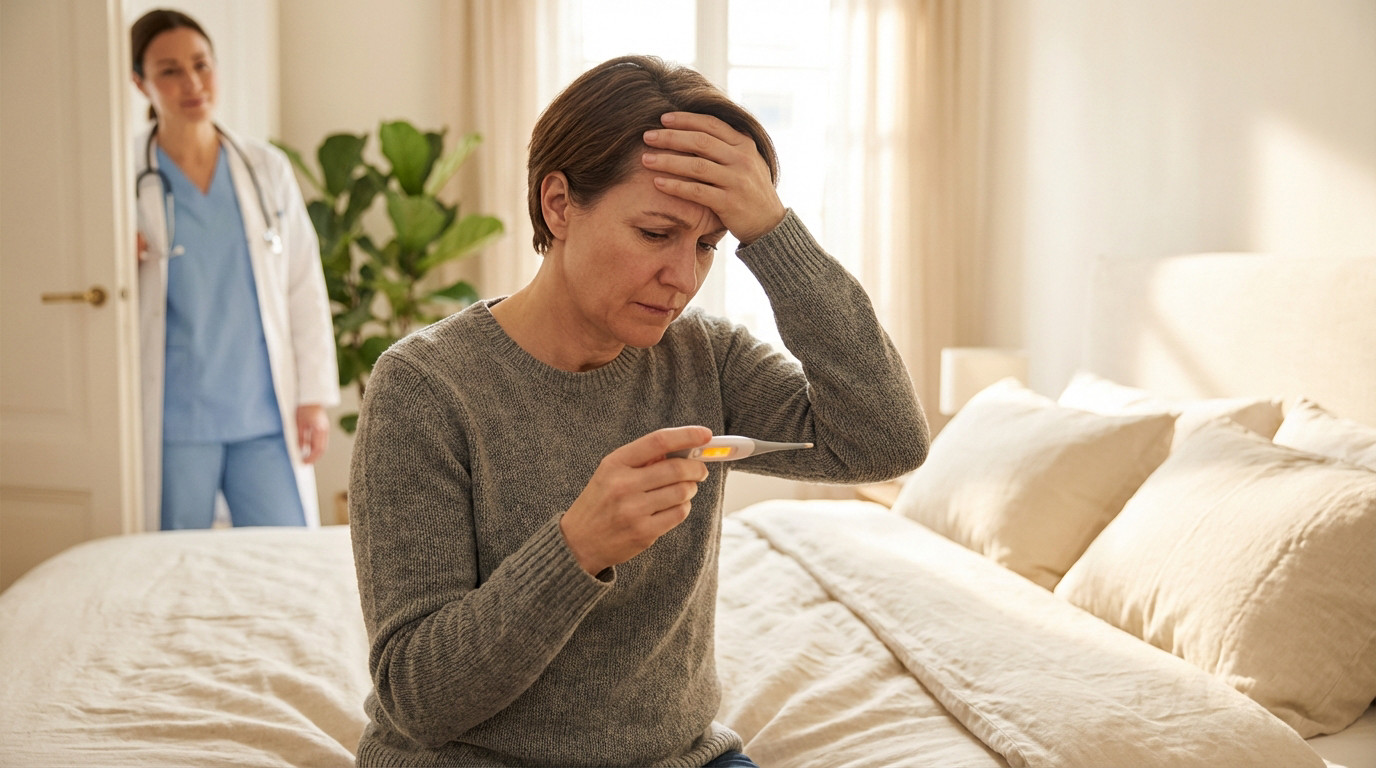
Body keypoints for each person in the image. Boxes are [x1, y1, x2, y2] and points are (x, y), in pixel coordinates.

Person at [348, 55, 928, 767]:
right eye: (656, 234)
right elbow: (419, 698)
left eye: (709, 244)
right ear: (558, 204)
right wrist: (577, 548)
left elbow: (888, 441)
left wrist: (773, 232)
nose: (683, 277)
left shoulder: (707, 358)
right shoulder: (425, 387)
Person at [131, 9, 339, 530]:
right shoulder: (124, 175)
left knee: (284, 560)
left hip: (263, 412)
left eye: (201, 64)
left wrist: (312, 398)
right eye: (170, 71)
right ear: (141, 83)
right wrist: (112, 254)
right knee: (175, 563)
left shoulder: (264, 167)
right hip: (175, 418)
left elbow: (302, 284)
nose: (192, 83)